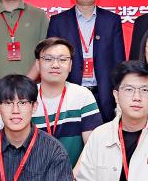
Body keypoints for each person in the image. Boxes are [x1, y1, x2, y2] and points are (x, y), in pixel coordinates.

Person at [46, 0, 126, 121]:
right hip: (68, 97)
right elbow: (50, 62)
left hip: (104, 97)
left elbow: (119, 63)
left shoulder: (112, 20)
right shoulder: (58, 21)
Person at [31, 37, 102, 166]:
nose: (55, 65)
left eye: (63, 60)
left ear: (70, 65)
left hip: (75, 175)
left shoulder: (82, 96)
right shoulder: (26, 98)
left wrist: (73, 175)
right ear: (37, 64)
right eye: (48, 59)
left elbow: (92, 147)